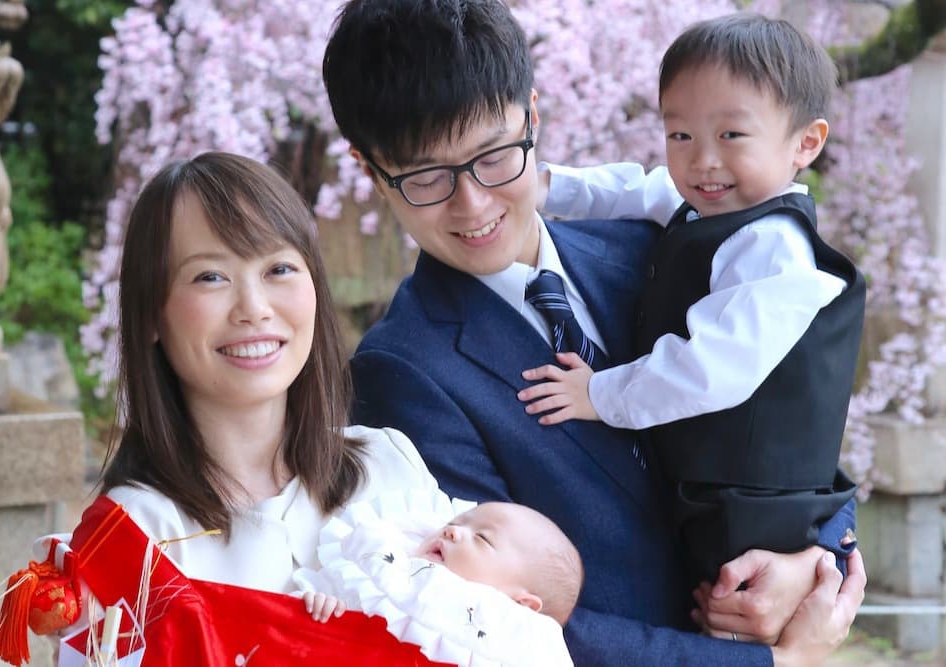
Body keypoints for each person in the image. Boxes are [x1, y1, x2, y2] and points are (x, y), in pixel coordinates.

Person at [323, 1, 866, 665]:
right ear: (369, 168)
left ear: (533, 114)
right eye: (425, 176)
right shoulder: (402, 372)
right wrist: (769, 664)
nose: (474, 204)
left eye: (494, 156)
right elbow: (488, 619)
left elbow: (784, 415)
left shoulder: (653, 246)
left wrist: (815, 552)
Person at [0, 152, 449, 667]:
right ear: (151, 316)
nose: (254, 307)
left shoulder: (389, 465)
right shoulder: (132, 541)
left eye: (279, 268)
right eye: (210, 277)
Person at [518, 13, 863, 583]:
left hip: (750, 506)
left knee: (732, 614)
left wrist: (599, 394)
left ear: (806, 142)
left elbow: (710, 368)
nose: (702, 159)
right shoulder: (712, 206)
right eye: (681, 135)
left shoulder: (773, 248)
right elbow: (638, 187)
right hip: (710, 484)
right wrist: (545, 184)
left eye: (731, 135)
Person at [294, 491, 580, 666]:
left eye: (482, 538)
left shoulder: (527, 645)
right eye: (454, 523)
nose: (452, 531)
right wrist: (322, 602)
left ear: (522, 605)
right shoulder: (387, 567)